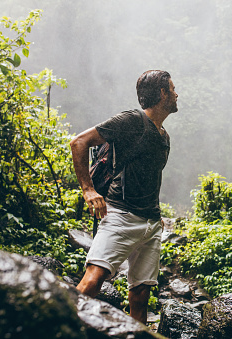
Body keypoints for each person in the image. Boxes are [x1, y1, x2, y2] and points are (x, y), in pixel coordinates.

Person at [69, 70, 178, 324]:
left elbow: (149, 178)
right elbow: (79, 142)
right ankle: (57, 328)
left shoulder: (164, 136)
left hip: (151, 226)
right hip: (120, 216)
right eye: (172, 89)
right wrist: (88, 190)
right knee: (93, 280)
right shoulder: (131, 120)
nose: (176, 93)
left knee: (140, 298)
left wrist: (157, 214)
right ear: (162, 93)